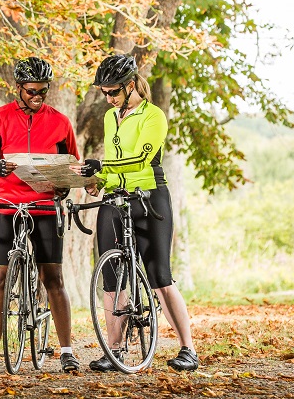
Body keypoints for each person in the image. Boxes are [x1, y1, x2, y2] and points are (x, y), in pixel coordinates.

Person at [82, 53, 200, 373]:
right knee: (110, 279)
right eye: (104, 93)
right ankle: (114, 349)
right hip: (115, 197)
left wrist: (103, 167)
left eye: (113, 92)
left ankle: (187, 348)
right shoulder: (111, 118)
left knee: (159, 275)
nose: (108, 98)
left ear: (131, 84)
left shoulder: (154, 116)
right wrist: (97, 181)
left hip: (149, 197)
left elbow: (139, 161)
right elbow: (114, 163)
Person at [0, 57, 83, 374]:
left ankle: (66, 351)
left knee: (54, 280)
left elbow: (70, 163)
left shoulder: (60, 121)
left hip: (45, 205)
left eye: (43, 91)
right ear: (18, 88)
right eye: (32, 90)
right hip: (7, 203)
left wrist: (66, 185)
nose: (38, 96)